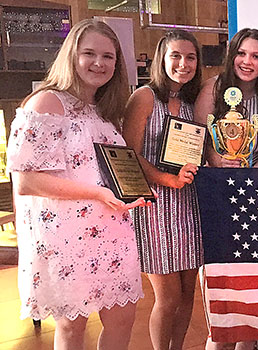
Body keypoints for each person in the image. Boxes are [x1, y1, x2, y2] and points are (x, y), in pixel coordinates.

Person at [6, 19, 146, 350]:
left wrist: (131, 191)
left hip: (112, 232)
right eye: (89, 53)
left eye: (108, 56)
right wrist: (97, 193)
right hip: (66, 238)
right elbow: (26, 181)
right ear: (72, 55)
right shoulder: (46, 103)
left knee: (124, 318)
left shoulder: (106, 110)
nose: (99, 63)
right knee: (72, 326)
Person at [195, 28, 258, 350]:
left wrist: (249, 187)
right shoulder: (212, 90)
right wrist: (216, 161)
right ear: (232, 55)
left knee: (250, 300)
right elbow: (199, 142)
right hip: (217, 201)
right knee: (222, 303)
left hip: (256, 204)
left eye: (256, 56)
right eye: (242, 53)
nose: (247, 62)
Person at [122, 30, 203, 350]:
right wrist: (166, 179)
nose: (183, 63)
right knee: (167, 298)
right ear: (161, 59)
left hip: (188, 206)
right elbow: (129, 155)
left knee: (187, 296)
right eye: (176, 56)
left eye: (191, 57)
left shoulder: (191, 103)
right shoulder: (144, 97)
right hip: (155, 207)